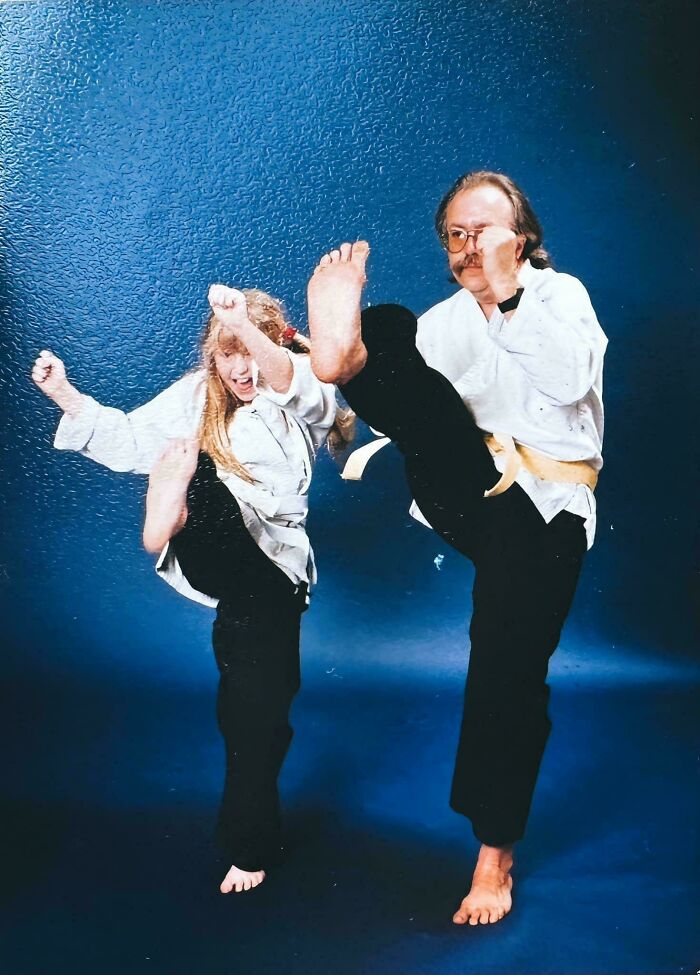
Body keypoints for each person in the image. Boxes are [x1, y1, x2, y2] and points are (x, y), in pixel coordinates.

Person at [306, 170, 607, 926]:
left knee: (507, 665)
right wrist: (307, 367)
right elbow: (410, 414)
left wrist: (506, 293)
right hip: (464, 488)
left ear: (523, 237)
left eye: (486, 230)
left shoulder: (561, 295)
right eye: (457, 235)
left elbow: (571, 381)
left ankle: (493, 850)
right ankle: (346, 353)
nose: (469, 245)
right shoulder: (445, 318)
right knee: (389, 330)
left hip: (545, 512)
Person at [32, 285, 347, 893]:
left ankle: (250, 846)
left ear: (275, 344)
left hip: (273, 572)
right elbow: (127, 437)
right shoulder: (200, 395)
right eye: (228, 354)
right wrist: (63, 394)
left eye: (251, 351)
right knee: (188, 460)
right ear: (214, 358)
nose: (242, 368)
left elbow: (311, 398)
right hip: (217, 560)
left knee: (255, 720)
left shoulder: (304, 380)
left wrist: (249, 330)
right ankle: (169, 509)